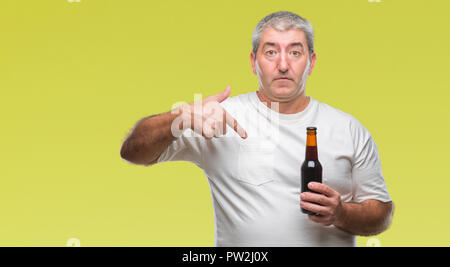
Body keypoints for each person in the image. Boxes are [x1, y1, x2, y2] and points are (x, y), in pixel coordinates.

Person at [120, 11, 394, 247]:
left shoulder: (348, 129)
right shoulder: (218, 119)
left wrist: (343, 213)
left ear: (311, 62)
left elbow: (382, 213)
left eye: (295, 52)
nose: (283, 64)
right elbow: (133, 152)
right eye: (271, 51)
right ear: (253, 62)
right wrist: (180, 116)